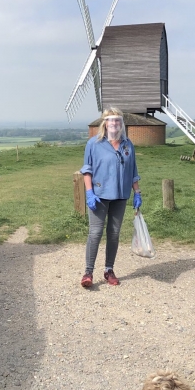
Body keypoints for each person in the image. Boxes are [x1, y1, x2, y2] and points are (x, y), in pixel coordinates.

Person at [80, 107, 141, 287]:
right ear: (105, 123)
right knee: (95, 233)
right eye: (111, 120)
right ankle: (88, 272)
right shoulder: (94, 144)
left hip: (120, 195)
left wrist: (137, 192)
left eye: (118, 120)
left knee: (114, 234)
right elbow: (87, 170)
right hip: (99, 195)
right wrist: (89, 192)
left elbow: (133, 170)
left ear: (122, 123)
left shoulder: (128, 144)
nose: (114, 123)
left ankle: (109, 270)